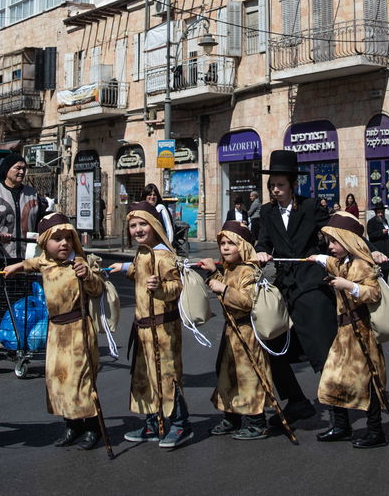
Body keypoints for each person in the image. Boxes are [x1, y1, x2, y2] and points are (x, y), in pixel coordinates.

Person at [4, 212, 107, 450]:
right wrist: (16, 267)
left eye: (67, 238)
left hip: (78, 329)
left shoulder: (80, 262)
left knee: (81, 381)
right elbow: (32, 264)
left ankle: (93, 427)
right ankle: (72, 425)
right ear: (44, 244)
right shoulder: (45, 262)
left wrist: (88, 276)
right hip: (56, 331)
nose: (64, 243)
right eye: (57, 239)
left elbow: (97, 288)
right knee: (59, 380)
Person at [252, 149, 335, 427]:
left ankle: (338, 411)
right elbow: (263, 242)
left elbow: (333, 234)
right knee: (271, 344)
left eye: (281, 185)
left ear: (292, 185)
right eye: (272, 185)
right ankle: (297, 401)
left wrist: (335, 250)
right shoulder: (266, 212)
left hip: (312, 286)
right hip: (284, 288)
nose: (276, 190)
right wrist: (261, 253)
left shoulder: (312, 207)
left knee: (323, 348)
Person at [105, 201, 193, 448]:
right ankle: (153, 423)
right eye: (133, 225)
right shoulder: (143, 252)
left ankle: (180, 424)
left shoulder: (164, 255)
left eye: (143, 224)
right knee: (146, 376)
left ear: (154, 225)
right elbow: (140, 271)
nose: (137, 229)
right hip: (143, 327)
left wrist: (161, 288)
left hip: (163, 328)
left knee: (167, 376)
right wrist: (124, 267)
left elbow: (176, 287)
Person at [310, 210, 387, 448]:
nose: (330, 246)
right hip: (343, 334)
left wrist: (350, 286)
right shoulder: (340, 262)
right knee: (333, 378)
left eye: (335, 241)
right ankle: (341, 425)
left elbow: (373, 293)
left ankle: (376, 431)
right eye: (329, 241)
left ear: (348, 241)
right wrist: (317, 258)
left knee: (368, 382)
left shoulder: (362, 265)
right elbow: (330, 262)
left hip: (361, 333)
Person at [197, 220, 269, 441]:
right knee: (227, 374)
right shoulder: (229, 269)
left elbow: (247, 301)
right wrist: (212, 274)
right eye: (222, 243)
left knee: (249, 377)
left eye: (231, 243)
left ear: (244, 246)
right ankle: (231, 417)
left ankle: (257, 422)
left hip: (247, 333)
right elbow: (222, 292)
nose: (225, 247)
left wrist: (224, 288)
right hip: (231, 332)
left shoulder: (248, 271)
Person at [0, 154, 49, 265]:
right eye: (18, 168)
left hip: (27, 256)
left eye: (24, 169)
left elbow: (41, 220)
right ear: (7, 169)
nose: (21, 172)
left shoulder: (32, 193)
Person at [365, 200, 389, 278]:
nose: (380, 214)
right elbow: (371, 235)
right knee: (380, 274)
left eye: (382, 212)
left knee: (386, 273)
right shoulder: (372, 222)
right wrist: (381, 232)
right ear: (376, 213)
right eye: (379, 213)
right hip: (379, 249)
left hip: (387, 250)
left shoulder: (385, 221)